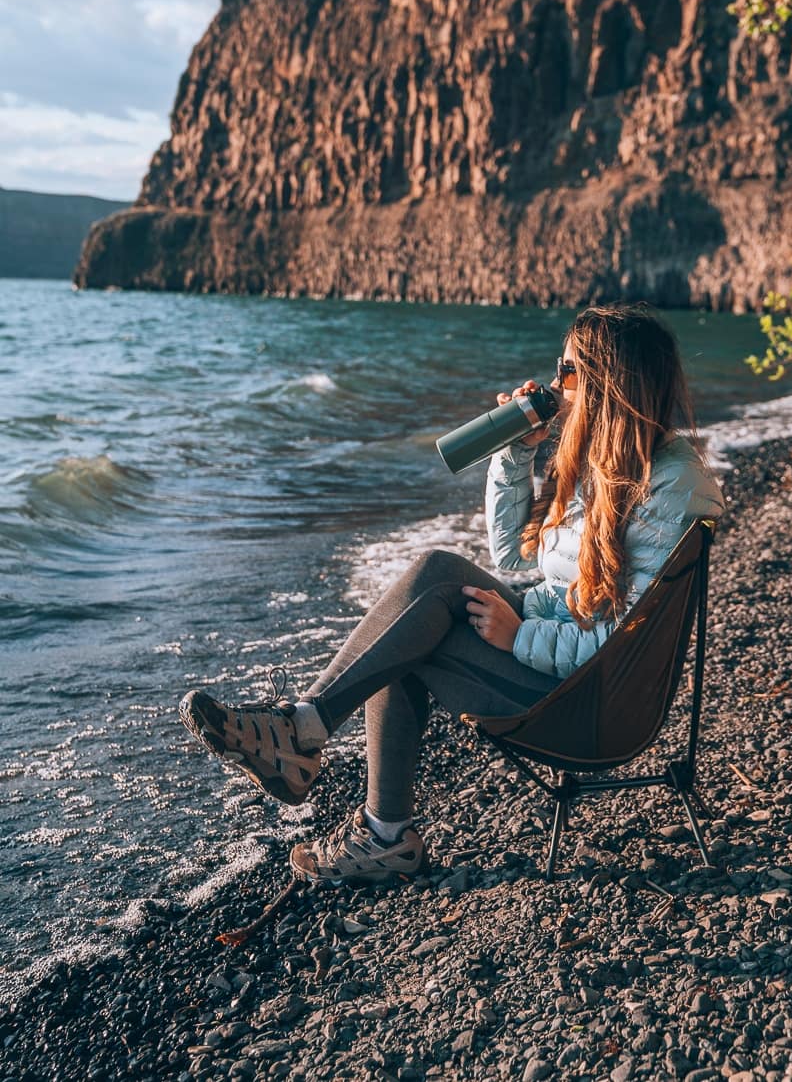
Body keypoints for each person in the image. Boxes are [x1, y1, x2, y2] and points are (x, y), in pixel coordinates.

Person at [180, 304, 725, 886]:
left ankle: (326, 766)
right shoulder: (607, 465)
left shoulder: (670, 485)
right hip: (559, 658)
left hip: (589, 703)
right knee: (426, 592)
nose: (555, 383)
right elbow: (515, 556)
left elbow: (616, 642)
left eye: (567, 369)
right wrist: (517, 451)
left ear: (605, 380)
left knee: (416, 621)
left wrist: (521, 636)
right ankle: (332, 771)